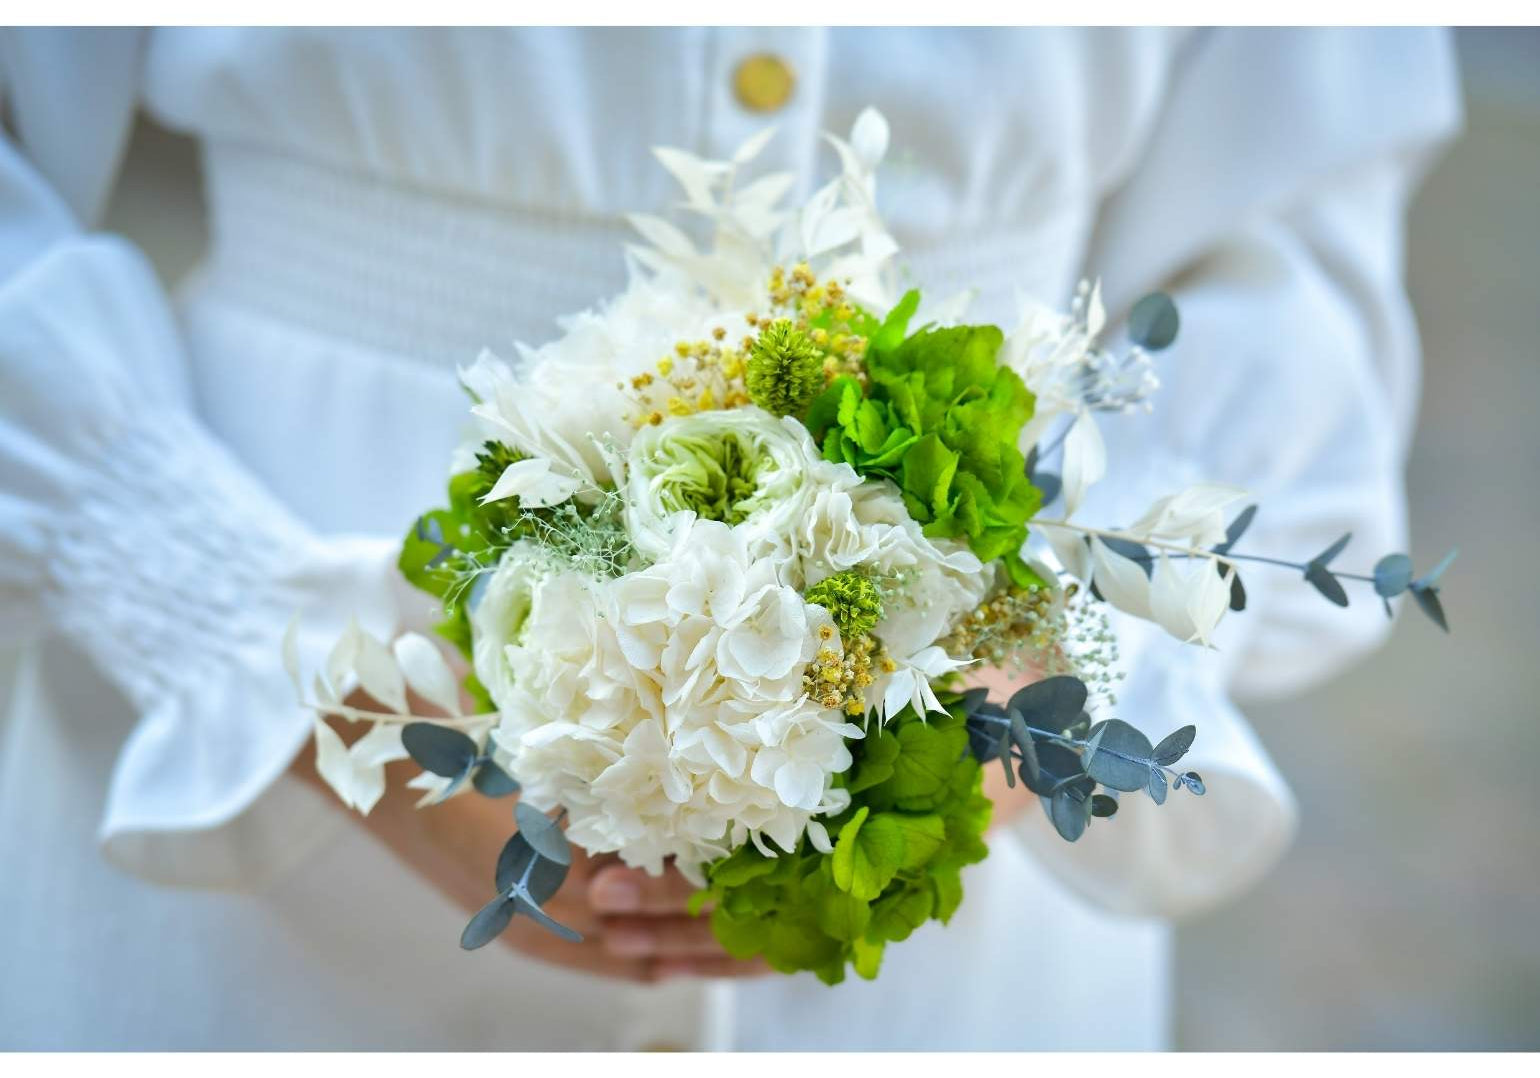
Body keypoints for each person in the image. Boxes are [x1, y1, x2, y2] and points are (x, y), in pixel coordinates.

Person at [0, 27, 1460, 1050]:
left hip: (967, 901)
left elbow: (1293, 220)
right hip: (272, 824)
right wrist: (245, 634)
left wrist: (1069, 657)